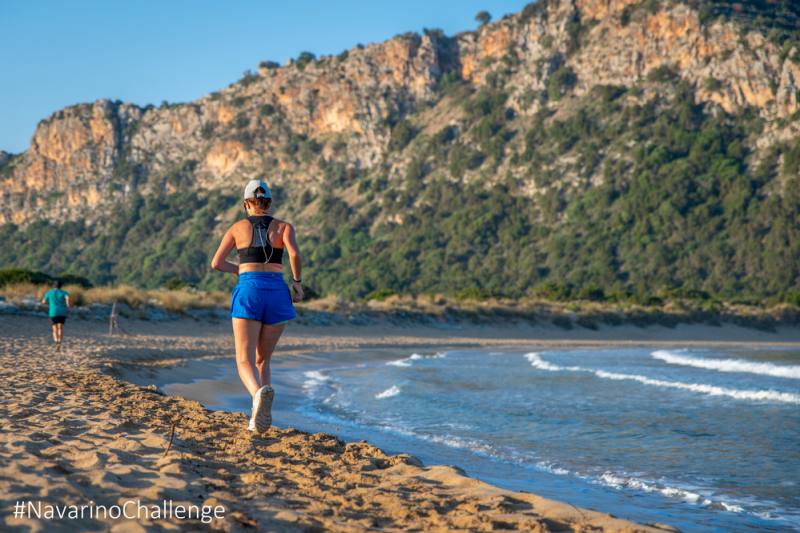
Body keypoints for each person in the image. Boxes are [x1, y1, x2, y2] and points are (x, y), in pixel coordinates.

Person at [211, 179, 304, 433]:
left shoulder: (237, 227)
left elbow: (217, 263)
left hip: (249, 289)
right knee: (263, 360)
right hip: (277, 291)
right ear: (270, 202)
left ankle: (258, 394)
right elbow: (294, 254)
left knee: (244, 359)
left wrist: (240, 270)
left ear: (245, 203)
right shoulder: (284, 227)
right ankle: (259, 418)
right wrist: (297, 283)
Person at [41, 280, 70, 349]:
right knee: (60, 328)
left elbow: (43, 301)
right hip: (62, 312)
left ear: (53, 285)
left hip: (53, 311)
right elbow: (68, 300)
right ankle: (59, 341)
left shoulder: (49, 292)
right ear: (61, 286)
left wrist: (50, 304)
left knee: (54, 328)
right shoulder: (64, 292)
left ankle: (56, 341)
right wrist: (67, 306)